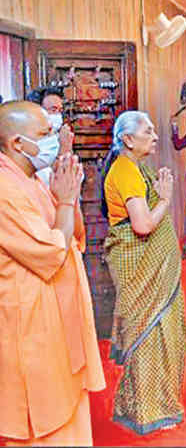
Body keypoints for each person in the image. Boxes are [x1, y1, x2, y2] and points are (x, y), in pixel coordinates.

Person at [0, 101, 104, 446]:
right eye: (44, 134)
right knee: (44, 418)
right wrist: (66, 201)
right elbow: (50, 253)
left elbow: (73, 236)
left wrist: (67, 199)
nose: (52, 140)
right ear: (17, 143)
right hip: (31, 322)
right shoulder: (5, 189)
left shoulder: (30, 178)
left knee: (70, 403)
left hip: (57, 314)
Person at [101, 111, 186, 435]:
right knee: (150, 335)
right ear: (127, 139)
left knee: (164, 333)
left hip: (155, 269)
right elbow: (143, 225)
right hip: (140, 267)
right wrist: (165, 199)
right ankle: (148, 411)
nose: (155, 136)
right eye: (148, 132)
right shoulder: (125, 171)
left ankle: (151, 404)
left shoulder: (136, 166)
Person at [27, 86, 75, 185]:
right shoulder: (28, 142)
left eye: (60, 111)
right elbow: (48, 178)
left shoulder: (58, 136)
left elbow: (73, 174)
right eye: (53, 110)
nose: (58, 115)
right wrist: (63, 150)